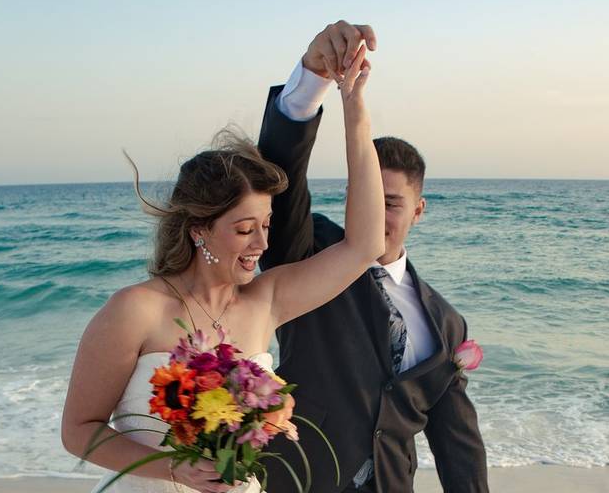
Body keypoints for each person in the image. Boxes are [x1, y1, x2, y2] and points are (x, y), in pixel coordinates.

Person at [61, 55, 384, 493]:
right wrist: (173, 467)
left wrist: (354, 106)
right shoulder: (135, 310)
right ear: (199, 231)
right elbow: (80, 430)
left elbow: (366, 246)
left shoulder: (265, 301)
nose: (262, 245)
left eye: (266, 226)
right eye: (245, 229)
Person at [257, 21, 489, 493]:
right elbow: (279, 181)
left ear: (419, 211)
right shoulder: (312, 252)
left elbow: (457, 441)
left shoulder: (446, 323)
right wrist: (310, 83)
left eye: (393, 203)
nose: (377, 213)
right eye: (368, 197)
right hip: (297, 481)